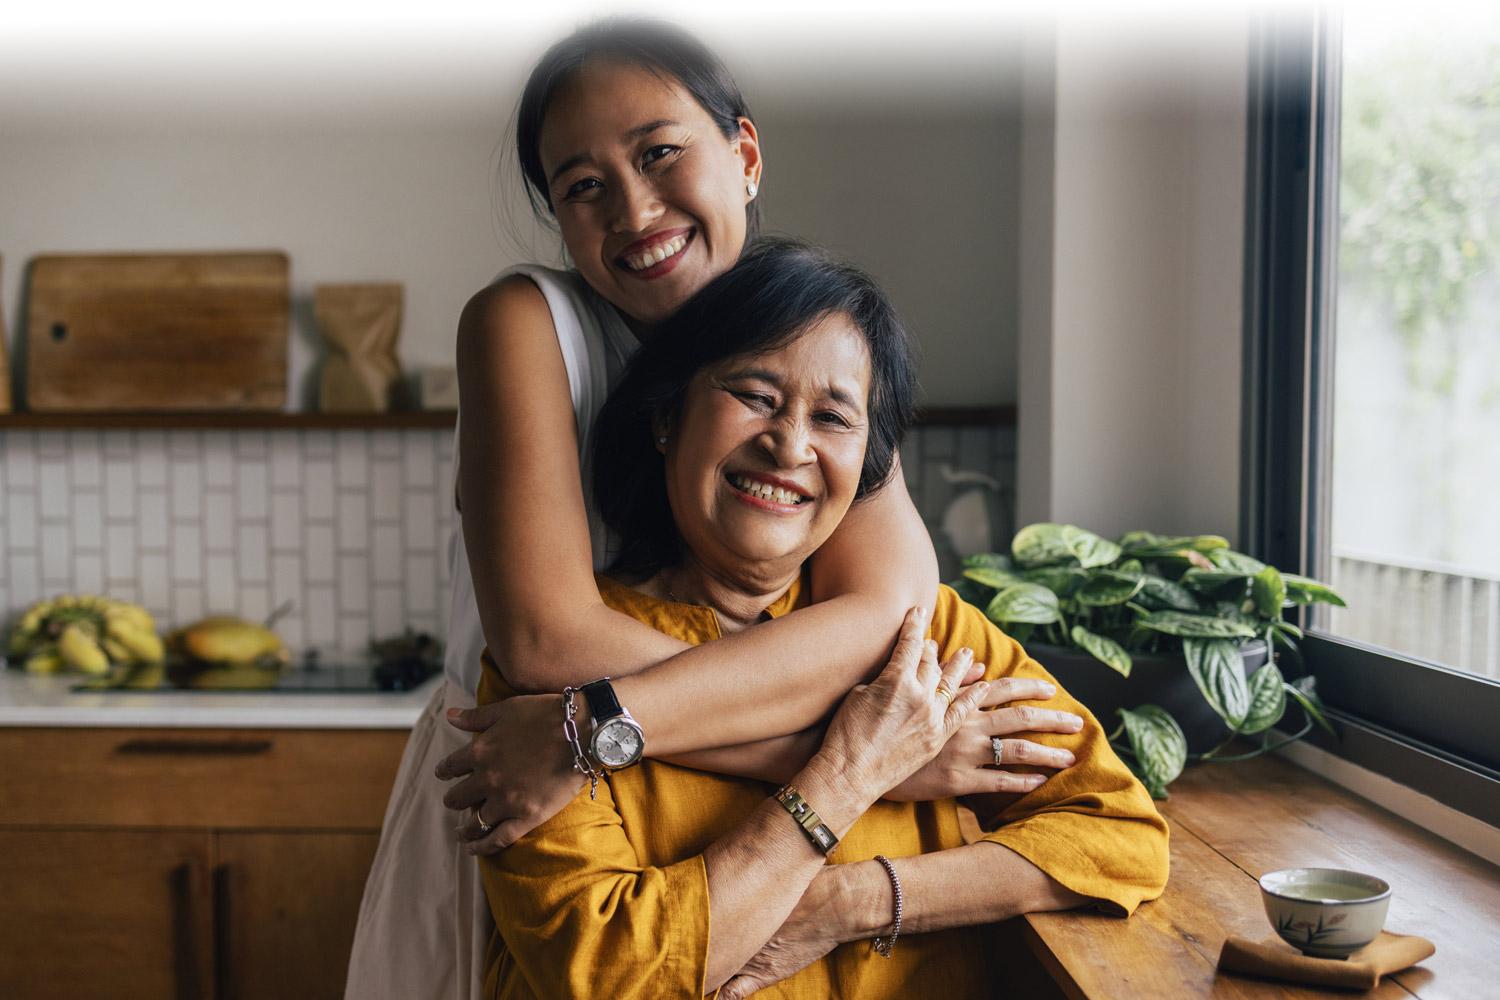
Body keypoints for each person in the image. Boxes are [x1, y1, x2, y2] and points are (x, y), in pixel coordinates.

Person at [345, 19, 1079, 1000]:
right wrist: (865, 761)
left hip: (653, 784)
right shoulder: (523, 322)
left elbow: (881, 617)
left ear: (743, 154)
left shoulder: (812, 336)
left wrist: (607, 729)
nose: (634, 208)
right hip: (537, 799)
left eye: (659, 153)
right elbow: (545, 639)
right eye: (583, 185)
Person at [476, 238, 1170, 999]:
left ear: (867, 468)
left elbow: (1118, 835)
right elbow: (608, 972)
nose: (788, 445)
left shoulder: (924, 642)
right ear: (667, 416)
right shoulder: (557, 699)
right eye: (754, 395)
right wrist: (848, 776)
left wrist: (853, 902)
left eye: (834, 417)